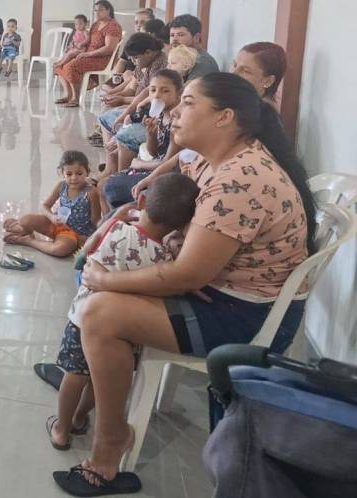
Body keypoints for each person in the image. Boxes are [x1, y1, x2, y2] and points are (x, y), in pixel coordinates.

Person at [53, 73, 316, 496]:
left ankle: (110, 444)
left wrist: (106, 278)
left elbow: (188, 275)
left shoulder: (241, 179)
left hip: (243, 312)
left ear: (224, 117)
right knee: (109, 275)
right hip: (218, 287)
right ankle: (84, 372)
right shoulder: (210, 158)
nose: (174, 111)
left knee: (99, 312)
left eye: (188, 102)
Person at [49, 174, 199, 451]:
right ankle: (81, 417)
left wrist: (110, 222)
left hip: (83, 319)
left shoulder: (116, 228)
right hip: (124, 332)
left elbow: (85, 254)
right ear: (181, 226)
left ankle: (61, 429)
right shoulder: (166, 261)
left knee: (74, 376)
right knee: (100, 379)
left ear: (141, 201)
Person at [98, 69, 184, 211]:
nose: (157, 95)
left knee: (108, 186)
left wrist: (139, 163)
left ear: (179, 94)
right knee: (102, 185)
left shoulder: (177, 122)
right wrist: (151, 134)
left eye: (165, 91)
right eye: (153, 90)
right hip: (156, 168)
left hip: (167, 177)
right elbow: (154, 152)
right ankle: (116, 219)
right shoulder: (161, 115)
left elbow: (169, 164)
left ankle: (121, 218)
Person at [2, 150, 102, 258]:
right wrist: (52, 217)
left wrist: (94, 238)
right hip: (57, 225)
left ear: (87, 172)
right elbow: (44, 206)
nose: (74, 178)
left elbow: (95, 221)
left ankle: (28, 240)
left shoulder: (91, 192)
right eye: (69, 174)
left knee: (60, 249)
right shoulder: (61, 186)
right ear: (62, 173)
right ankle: (23, 228)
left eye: (79, 173)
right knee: (25, 219)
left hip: (74, 235)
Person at [97, 33, 168, 174]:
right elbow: (134, 91)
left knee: (123, 135)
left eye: (135, 57)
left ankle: (120, 174)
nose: (133, 61)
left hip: (149, 116)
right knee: (105, 117)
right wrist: (116, 97)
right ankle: (111, 166)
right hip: (139, 109)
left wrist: (123, 103)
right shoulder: (144, 64)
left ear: (148, 52)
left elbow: (149, 100)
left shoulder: (161, 67)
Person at [54, 0, 123, 107]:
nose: (97, 13)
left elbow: (109, 48)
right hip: (88, 55)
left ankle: (75, 98)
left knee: (71, 66)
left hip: (102, 59)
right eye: (95, 10)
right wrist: (75, 46)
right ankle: (68, 95)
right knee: (59, 65)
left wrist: (87, 54)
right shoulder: (96, 24)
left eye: (100, 10)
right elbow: (87, 41)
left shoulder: (113, 26)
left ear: (108, 10)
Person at [231, 41, 286, 110]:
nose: (233, 73)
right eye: (234, 65)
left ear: (268, 81)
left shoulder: (259, 115)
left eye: (245, 71)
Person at [167, 14, 219, 81]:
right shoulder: (178, 57)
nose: (174, 39)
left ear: (196, 37)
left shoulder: (202, 62)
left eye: (181, 35)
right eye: (172, 35)